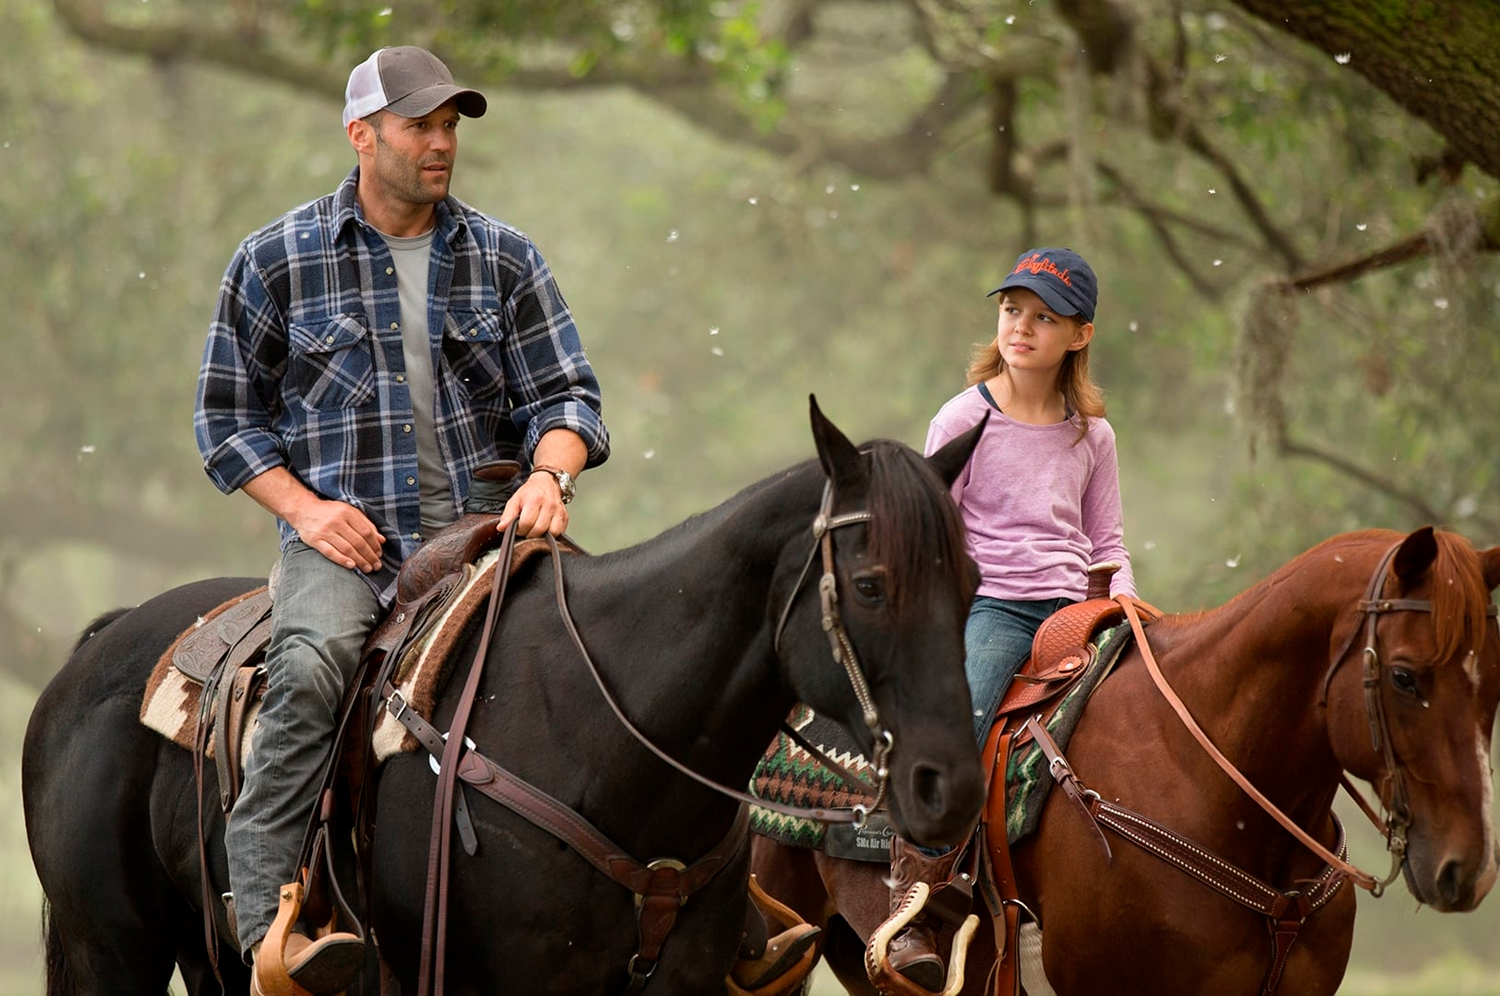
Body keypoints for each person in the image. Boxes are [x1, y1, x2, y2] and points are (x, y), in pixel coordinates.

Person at [194, 46, 609, 995]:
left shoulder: (505, 257)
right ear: (361, 134)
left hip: (485, 535)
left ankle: (716, 908)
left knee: (612, 655)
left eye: (450, 125)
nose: (440, 142)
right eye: (420, 124)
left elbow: (570, 398)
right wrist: (308, 511)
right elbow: (225, 422)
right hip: (347, 543)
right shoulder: (276, 259)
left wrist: (551, 475)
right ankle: (269, 927)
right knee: (307, 669)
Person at [879, 247, 1135, 992]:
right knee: (960, 725)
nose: (1021, 327)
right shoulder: (965, 417)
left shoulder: (1093, 434)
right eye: (1012, 310)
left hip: (1078, 609)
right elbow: (931, 533)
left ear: (1079, 335)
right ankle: (914, 901)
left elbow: (1107, 540)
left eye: (1043, 317)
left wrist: (1128, 605)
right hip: (994, 606)